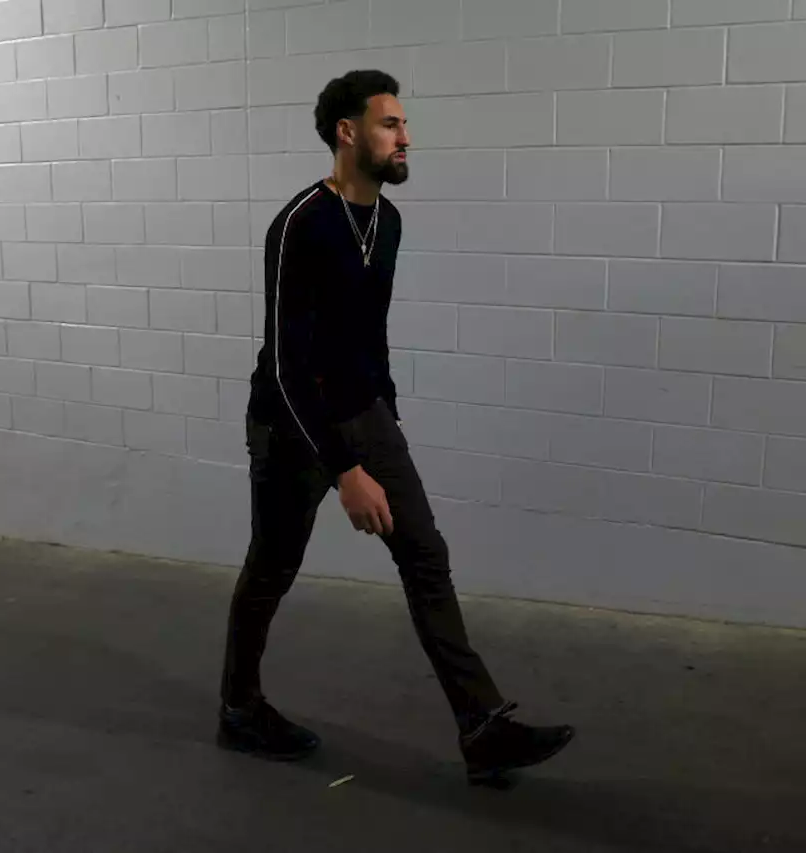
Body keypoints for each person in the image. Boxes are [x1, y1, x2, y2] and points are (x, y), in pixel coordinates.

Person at [216, 70, 574, 786]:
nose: (406, 138)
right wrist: (345, 469)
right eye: (391, 125)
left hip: (365, 414)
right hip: (292, 423)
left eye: (405, 125)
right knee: (273, 565)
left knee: (425, 555)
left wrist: (385, 428)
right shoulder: (300, 224)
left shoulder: (390, 220)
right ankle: (239, 707)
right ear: (349, 133)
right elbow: (288, 364)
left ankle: (482, 727)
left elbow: (367, 340)